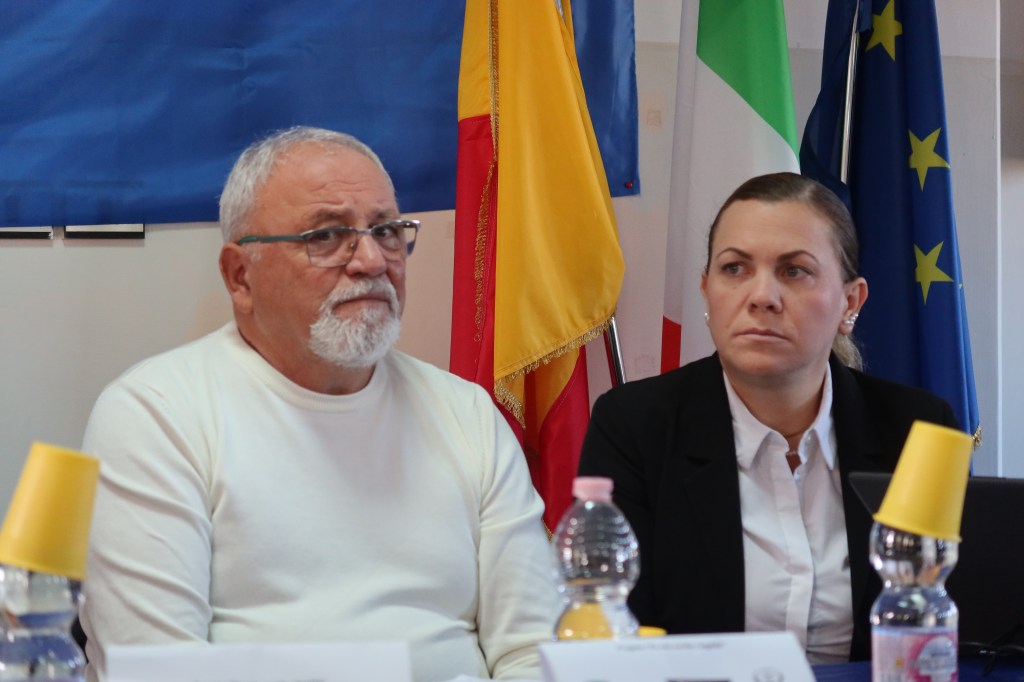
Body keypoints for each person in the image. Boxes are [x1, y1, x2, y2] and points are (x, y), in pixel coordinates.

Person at [80, 126, 561, 682]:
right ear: (240, 276)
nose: (372, 261)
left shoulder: (467, 414)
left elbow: (534, 652)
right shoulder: (156, 415)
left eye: (387, 231)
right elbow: (159, 672)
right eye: (328, 236)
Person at [578, 172, 958, 663]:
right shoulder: (634, 426)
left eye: (794, 271)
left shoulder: (917, 430)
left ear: (850, 302)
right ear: (707, 291)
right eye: (734, 268)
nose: (762, 296)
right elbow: (619, 636)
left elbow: (944, 625)